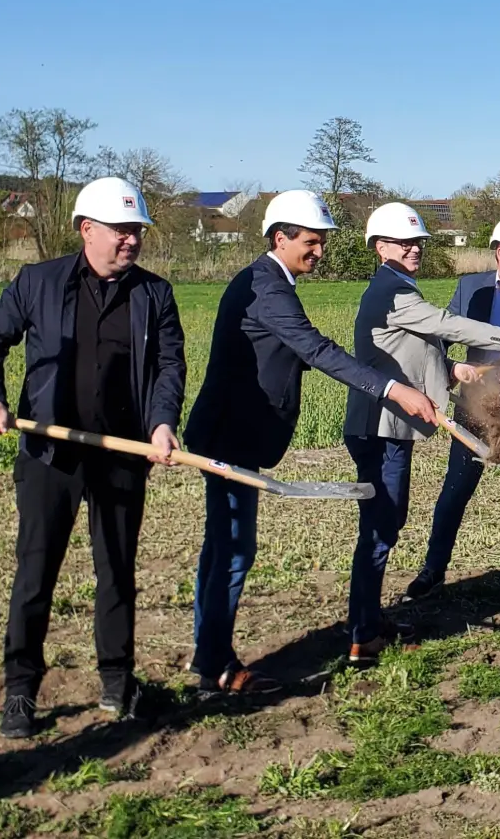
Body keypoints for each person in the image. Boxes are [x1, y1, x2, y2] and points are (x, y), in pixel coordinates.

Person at [184, 190, 438, 694]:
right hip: (232, 434)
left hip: (227, 431)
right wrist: (392, 388)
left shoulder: (269, 282)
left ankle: (207, 656)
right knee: (232, 551)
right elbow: (316, 349)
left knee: (221, 549)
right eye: (311, 242)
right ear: (281, 237)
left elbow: (295, 350)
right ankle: (214, 665)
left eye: (321, 242)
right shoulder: (267, 288)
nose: (319, 251)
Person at [0, 177, 186, 738]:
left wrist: (163, 423)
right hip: (49, 454)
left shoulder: (154, 295)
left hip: (121, 454)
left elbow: (169, 368)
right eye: (121, 231)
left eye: (137, 231)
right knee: (36, 570)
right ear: (86, 229)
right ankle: (21, 690)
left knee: (116, 569)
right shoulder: (37, 283)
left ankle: (118, 681)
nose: (131, 241)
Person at [344, 204, 500, 651]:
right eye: (405, 243)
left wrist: (451, 369)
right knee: (383, 525)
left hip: (460, 423)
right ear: (381, 248)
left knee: (388, 521)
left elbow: (419, 345)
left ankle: (369, 623)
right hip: (384, 426)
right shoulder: (394, 291)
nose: (415, 249)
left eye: (418, 242)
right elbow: (445, 324)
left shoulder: (399, 285)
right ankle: (365, 628)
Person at [405, 214, 500, 616]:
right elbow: (441, 341)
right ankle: (433, 570)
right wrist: (453, 367)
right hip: (473, 413)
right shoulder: (469, 288)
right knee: (454, 494)